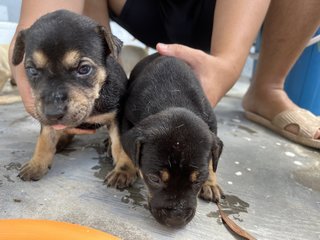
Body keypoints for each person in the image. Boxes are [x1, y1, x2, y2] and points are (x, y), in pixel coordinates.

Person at [9, 0, 320, 148]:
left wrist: (228, 64)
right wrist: (34, 32)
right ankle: (103, 79)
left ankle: (268, 87)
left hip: (229, 13)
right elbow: (42, 24)